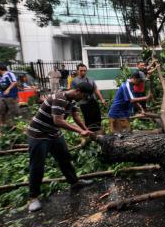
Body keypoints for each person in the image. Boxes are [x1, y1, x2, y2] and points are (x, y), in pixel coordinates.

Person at [26, 82, 95, 212]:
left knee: (65, 158)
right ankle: (33, 198)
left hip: (54, 134)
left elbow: (76, 116)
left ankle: (74, 182)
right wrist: (80, 132)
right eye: (84, 96)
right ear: (78, 91)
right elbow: (58, 120)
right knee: (37, 166)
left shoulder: (72, 100)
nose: (83, 99)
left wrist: (86, 130)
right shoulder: (59, 98)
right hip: (38, 135)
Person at [71, 63, 107, 132]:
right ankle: (89, 133)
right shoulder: (74, 81)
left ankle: (98, 132)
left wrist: (102, 99)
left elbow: (96, 89)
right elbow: (73, 93)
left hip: (93, 101)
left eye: (84, 70)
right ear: (77, 71)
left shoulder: (90, 79)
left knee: (97, 117)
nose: (83, 72)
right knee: (88, 119)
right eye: (81, 70)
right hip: (83, 103)